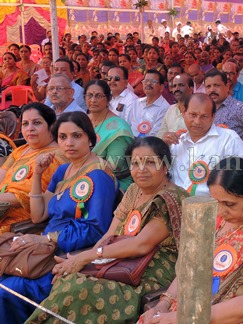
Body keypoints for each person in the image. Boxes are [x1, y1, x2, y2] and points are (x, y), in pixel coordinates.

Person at [27, 136, 188, 323]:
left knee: (79, 289)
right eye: (135, 163)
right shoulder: (134, 190)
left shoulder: (171, 198)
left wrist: (87, 256)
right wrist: (82, 262)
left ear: (165, 166)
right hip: (118, 259)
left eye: (150, 162)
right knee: (68, 279)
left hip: (150, 269)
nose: (141, 169)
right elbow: (110, 234)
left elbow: (141, 245)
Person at [140, 157, 243, 323]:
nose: (220, 211)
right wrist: (163, 305)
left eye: (229, 204)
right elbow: (190, 267)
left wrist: (177, 318)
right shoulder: (220, 221)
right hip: (190, 313)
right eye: (216, 202)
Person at [0, 111, 118, 323]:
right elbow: (39, 215)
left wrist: (47, 239)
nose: (69, 143)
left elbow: (95, 229)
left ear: (90, 139)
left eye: (76, 136)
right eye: (63, 137)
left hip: (68, 254)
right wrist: (37, 174)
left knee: (8, 290)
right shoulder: (64, 170)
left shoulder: (98, 175)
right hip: (43, 247)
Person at [0, 103, 66, 233]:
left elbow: (23, 196)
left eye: (37, 123)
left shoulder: (54, 157)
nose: (30, 128)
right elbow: (1, 174)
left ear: (51, 126)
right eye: (25, 124)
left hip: (19, 221)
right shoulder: (21, 150)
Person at [168, 93, 243, 196]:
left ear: (213, 117)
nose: (197, 121)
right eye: (193, 115)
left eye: (204, 116)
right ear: (184, 112)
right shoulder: (176, 142)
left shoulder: (228, 139)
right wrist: (162, 148)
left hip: (213, 205)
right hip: (176, 204)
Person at [85, 79, 134, 191]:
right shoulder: (82, 121)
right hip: (82, 174)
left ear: (108, 98)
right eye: (89, 95)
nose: (93, 100)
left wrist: (84, 160)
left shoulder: (119, 128)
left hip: (111, 182)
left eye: (98, 96)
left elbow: (115, 166)